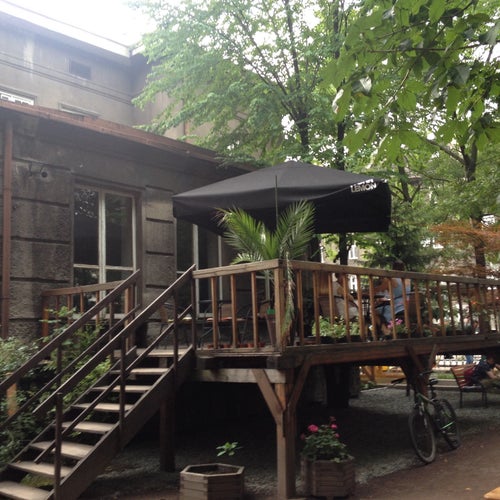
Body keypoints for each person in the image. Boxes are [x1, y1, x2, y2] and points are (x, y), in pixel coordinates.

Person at [373, 260, 411, 337]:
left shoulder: (391, 279)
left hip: (397, 307)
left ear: (393, 269)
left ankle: (385, 330)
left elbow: (378, 290)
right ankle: (387, 329)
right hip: (406, 305)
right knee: (382, 309)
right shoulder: (408, 279)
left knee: (374, 312)